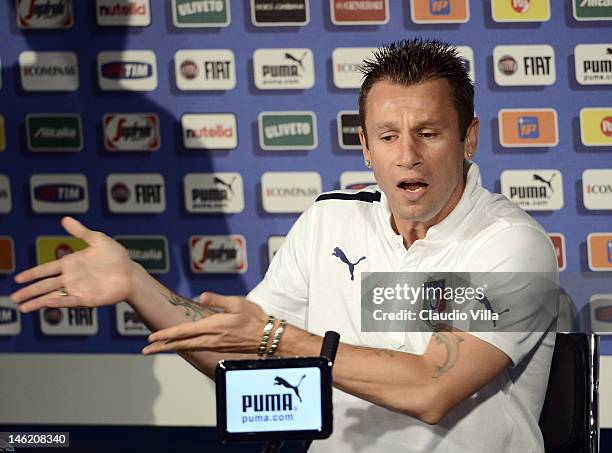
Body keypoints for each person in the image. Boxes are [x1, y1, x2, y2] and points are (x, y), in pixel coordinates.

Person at [10, 38, 558, 452]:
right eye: (388, 136)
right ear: (365, 147)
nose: (407, 154)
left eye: (430, 132)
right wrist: (136, 284)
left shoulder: (509, 244)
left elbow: (431, 389)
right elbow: (243, 354)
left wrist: (277, 336)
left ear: (468, 138)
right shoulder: (329, 223)